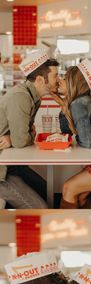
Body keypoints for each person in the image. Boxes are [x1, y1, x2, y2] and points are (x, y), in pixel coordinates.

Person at [51, 59, 91, 209]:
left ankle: (66, 227)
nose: (60, 80)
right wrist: (62, 104)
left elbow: (88, 144)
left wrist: (65, 104)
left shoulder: (79, 103)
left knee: (68, 188)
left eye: (65, 78)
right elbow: (65, 133)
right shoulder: (78, 102)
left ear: (74, 83)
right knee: (79, 196)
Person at [0, 50, 60, 208]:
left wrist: (21, 136)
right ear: (40, 80)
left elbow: (29, 133)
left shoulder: (34, 98)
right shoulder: (21, 97)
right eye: (55, 76)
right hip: (2, 171)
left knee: (48, 192)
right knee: (41, 208)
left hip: (11, 164)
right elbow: (21, 141)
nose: (58, 81)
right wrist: (16, 138)